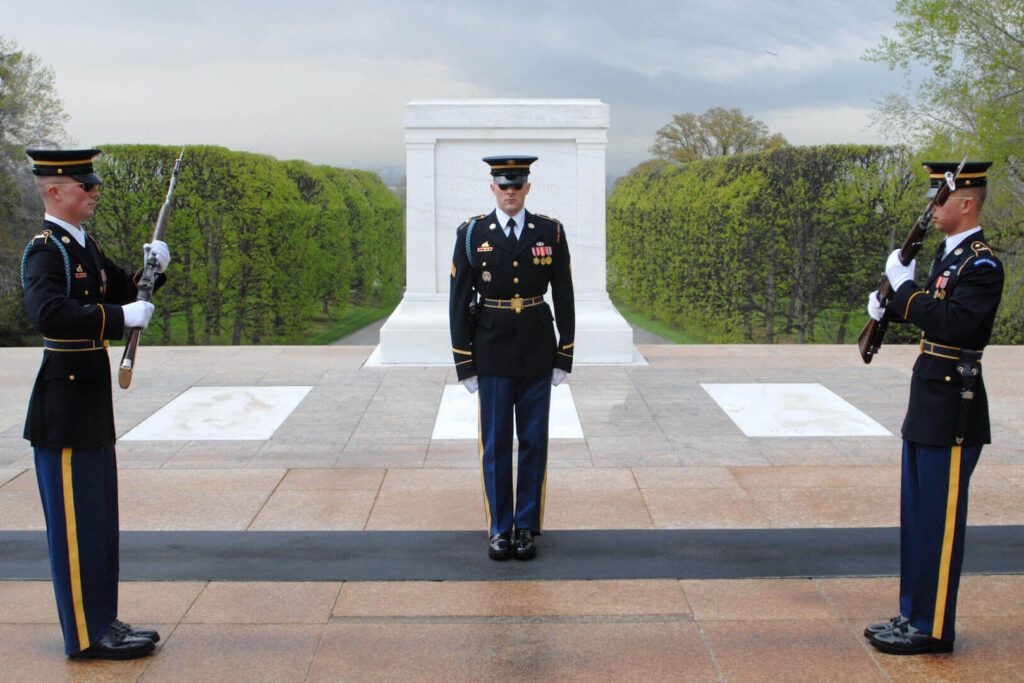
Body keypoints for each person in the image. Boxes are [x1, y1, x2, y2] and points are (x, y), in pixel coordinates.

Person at [21, 148, 171, 660]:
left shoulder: (81, 245)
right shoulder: (48, 251)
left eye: (92, 184)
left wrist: (154, 271)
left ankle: (103, 620)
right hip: (63, 408)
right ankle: (86, 636)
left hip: (88, 401)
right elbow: (49, 315)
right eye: (84, 185)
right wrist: (119, 315)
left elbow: (130, 292)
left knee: (98, 522)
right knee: (75, 529)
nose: (93, 193)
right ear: (54, 190)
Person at [864, 160, 1003, 655]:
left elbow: (954, 324)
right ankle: (912, 615)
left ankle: (934, 627)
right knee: (919, 519)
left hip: (954, 410)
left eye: (939, 200)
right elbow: (932, 314)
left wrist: (904, 292)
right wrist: (890, 306)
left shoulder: (981, 263)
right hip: (928, 405)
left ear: (966, 203)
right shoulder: (949, 258)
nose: (932, 208)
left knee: (940, 527)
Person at [449, 155, 575, 561]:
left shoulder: (550, 232)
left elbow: (565, 295)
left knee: (534, 441)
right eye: (503, 185)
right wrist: (464, 361)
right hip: (492, 350)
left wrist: (564, 352)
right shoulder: (472, 234)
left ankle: (525, 527)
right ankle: (499, 528)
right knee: (497, 444)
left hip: (537, 348)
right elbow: (458, 302)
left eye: (516, 185)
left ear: (527, 187)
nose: (510, 192)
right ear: (492, 188)